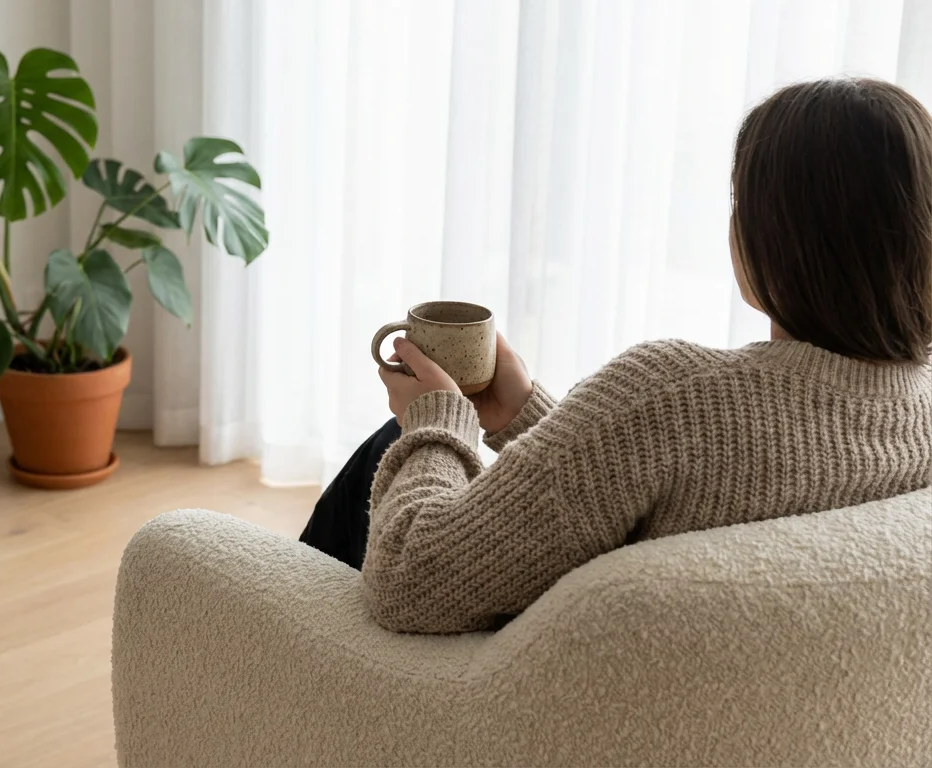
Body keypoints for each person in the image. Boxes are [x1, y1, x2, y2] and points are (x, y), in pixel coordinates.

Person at [300, 77, 932, 634]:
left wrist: (435, 423)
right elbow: (666, 485)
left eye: (741, 206)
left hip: (480, 702)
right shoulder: (916, 414)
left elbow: (412, 582)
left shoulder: (670, 395)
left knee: (397, 441)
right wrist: (527, 414)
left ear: (776, 242)